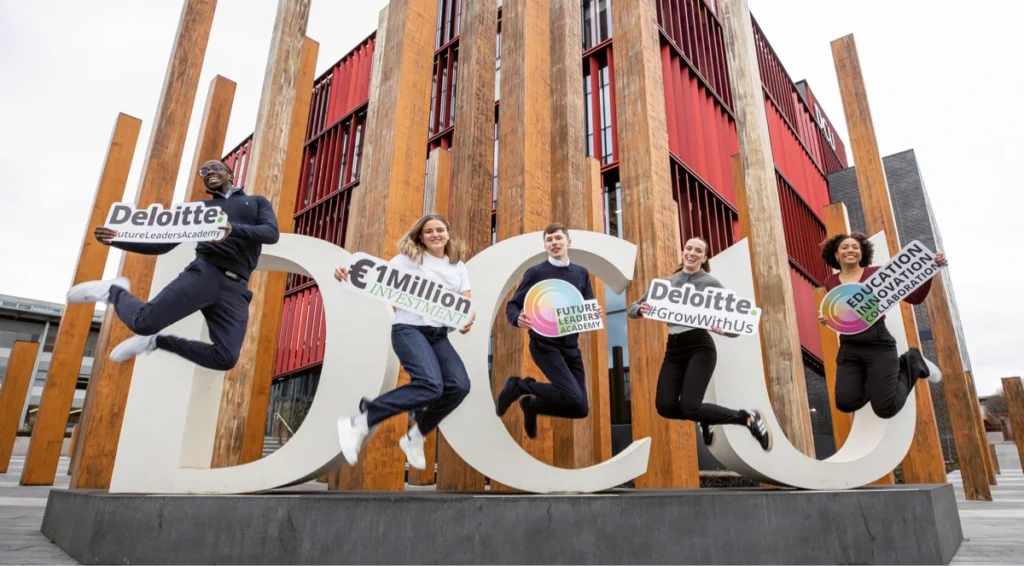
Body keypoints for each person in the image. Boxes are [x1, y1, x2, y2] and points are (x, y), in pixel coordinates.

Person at [66, 160, 279, 370]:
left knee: (225, 358)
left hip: (237, 288)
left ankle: (156, 342)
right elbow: (161, 245)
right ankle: (113, 292)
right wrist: (117, 239)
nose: (208, 172)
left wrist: (233, 229)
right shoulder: (200, 208)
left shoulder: (256, 202)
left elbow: (271, 234)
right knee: (143, 323)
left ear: (230, 175)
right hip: (206, 273)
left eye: (215, 168)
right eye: (203, 171)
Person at [333, 213, 474, 470]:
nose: (435, 235)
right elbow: (375, 279)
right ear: (421, 235)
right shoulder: (407, 260)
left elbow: (466, 304)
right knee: (431, 385)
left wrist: (467, 320)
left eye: (440, 229)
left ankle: (415, 436)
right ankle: (359, 424)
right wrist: (347, 273)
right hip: (409, 330)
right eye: (429, 231)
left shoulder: (458, 266)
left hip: (438, 334)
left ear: (447, 233)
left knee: (460, 386)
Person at [627, 237, 772, 451]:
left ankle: (747, 418)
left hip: (700, 346)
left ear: (704, 258)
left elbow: (735, 324)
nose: (692, 253)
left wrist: (725, 330)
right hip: (674, 348)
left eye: (698, 251)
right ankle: (704, 417)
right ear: (683, 251)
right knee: (665, 406)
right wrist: (640, 310)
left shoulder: (710, 283)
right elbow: (633, 308)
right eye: (689, 248)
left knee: (689, 406)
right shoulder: (666, 284)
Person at [819, 232, 946, 419]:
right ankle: (879, 383)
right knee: (845, 403)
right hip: (849, 346)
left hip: (878, 343)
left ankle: (912, 361)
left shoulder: (876, 274)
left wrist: (930, 270)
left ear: (862, 254)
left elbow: (915, 297)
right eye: (845, 247)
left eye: (856, 247)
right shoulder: (830, 282)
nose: (851, 250)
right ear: (836, 255)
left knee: (885, 409)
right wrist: (827, 318)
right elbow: (842, 314)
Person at [494, 223, 603, 438]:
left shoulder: (581, 273)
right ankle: (519, 385)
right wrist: (517, 319)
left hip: (571, 347)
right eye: (549, 240)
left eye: (558, 238)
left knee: (580, 409)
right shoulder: (536, 272)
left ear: (568, 242)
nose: (554, 243)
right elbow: (512, 305)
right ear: (545, 246)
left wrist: (594, 312)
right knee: (571, 396)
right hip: (544, 345)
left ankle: (532, 406)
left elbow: (587, 303)